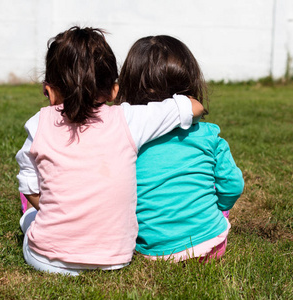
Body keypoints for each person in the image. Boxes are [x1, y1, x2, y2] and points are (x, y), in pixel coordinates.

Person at [15, 27, 204, 275]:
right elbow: (193, 106)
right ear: (114, 91)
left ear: (49, 91)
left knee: (28, 219)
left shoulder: (37, 124)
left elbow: (29, 185)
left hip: (47, 259)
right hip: (115, 257)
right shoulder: (128, 119)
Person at [116, 35, 244, 262]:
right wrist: (219, 207)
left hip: (150, 250)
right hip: (210, 243)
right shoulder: (208, 135)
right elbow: (233, 185)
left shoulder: (125, 136)